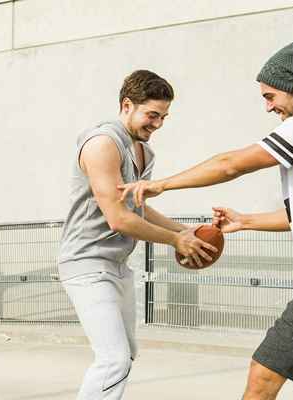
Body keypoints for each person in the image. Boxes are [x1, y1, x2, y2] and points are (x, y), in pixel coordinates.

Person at [118, 42, 293, 400]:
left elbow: (231, 164)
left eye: (270, 95)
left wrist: (161, 184)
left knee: (263, 377)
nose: (268, 105)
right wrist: (246, 220)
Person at [58, 70, 217, 400]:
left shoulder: (145, 153)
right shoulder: (102, 144)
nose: (157, 124)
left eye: (163, 117)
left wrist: (185, 231)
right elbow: (118, 218)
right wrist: (175, 240)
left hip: (117, 266)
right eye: (152, 115)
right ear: (127, 105)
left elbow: (136, 209)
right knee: (113, 360)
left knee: (125, 355)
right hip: (85, 264)